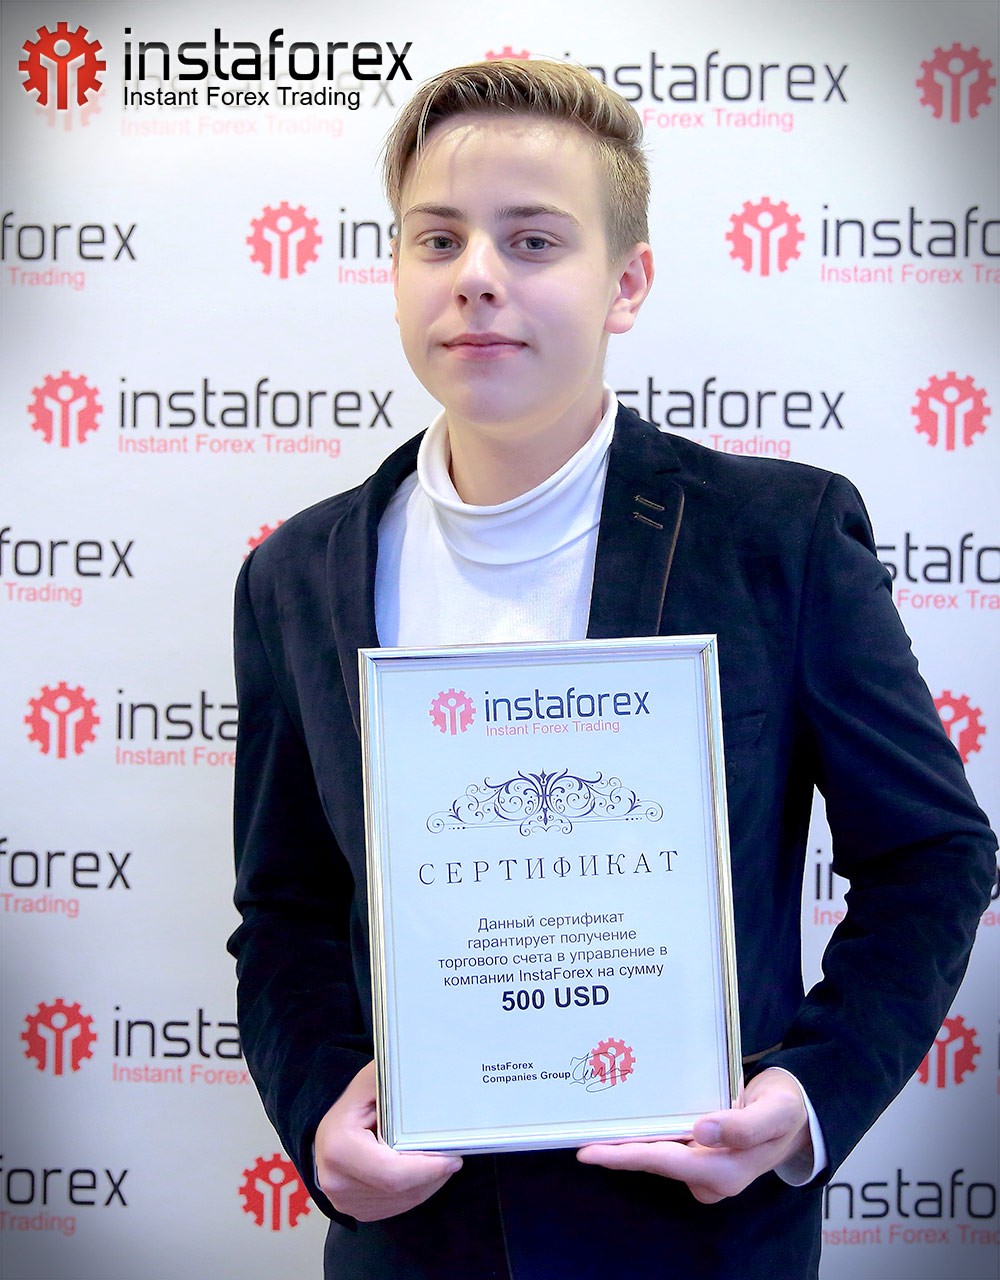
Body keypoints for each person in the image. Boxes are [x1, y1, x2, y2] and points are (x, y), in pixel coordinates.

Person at [228, 59, 996, 1280]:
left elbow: (930, 854)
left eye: (533, 239)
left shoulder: (776, 539)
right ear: (397, 269)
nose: (478, 274)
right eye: (438, 238)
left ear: (625, 282)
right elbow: (287, 908)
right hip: (415, 1245)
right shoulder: (298, 574)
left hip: (695, 1235)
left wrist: (805, 1094)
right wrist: (321, 1110)